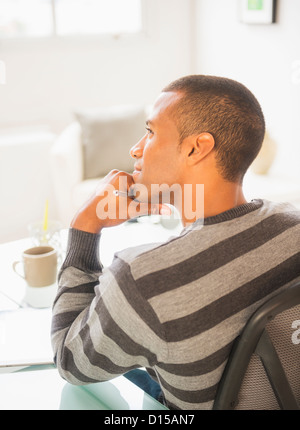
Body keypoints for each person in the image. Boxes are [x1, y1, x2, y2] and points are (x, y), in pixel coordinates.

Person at [51, 75, 300, 410]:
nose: (136, 148)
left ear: (197, 147)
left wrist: (85, 225)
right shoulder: (294, 224)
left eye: (151, 132)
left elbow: (69, 362)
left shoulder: (142, 279)